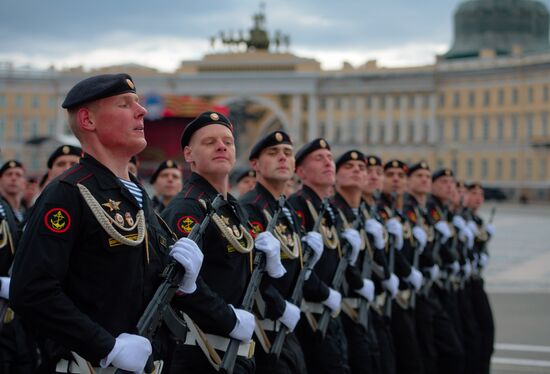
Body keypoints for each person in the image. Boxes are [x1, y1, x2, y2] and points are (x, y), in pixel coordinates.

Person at [10, 73, 204, 373]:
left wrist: (183, 284)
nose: (141, 111)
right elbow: (32, 292)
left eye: (138, 103)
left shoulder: (135, 193)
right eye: (125, 104)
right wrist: (106, 345)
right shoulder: (68, 192)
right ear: (88, 120)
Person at [162, 111, 285, 374]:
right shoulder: (188, 208)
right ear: (188, 154)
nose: (221, 146)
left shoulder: (232, 208)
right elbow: (179, 284)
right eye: (209, 142)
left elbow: (237, 278)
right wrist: (228, 319)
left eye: (227, 142)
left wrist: (271, 268)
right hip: (202, 354)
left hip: (235, 352)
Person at [240, 130, 314, 374]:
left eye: (288, 153)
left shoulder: (284, 209)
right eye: (273, 153)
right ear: (255, 164)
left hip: (285, 328)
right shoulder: (250, 207)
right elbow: (248, 273)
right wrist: (279, 306)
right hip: (264, 331)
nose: (282, 158)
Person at [288, 138, 354, 374]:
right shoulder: (296, 205)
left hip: (329, 316)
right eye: (319, 159)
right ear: (301, 172)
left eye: (329, 158)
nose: (328, 163)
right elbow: (297, 266)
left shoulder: (327, 209)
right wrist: (324, 292)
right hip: (309, 319)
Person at [330, 150, 380, 374]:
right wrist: (358, 282)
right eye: (349, 167)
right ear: (336, 175)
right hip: (340, 311)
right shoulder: (331, 212)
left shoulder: (362, 214)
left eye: (361, 168)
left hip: (363, 310)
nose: (358, 172)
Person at [465, 182, 495, 374]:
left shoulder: (477, 221)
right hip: (465, 285)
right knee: (473, 337)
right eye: (473, 193)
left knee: (486, 334)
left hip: (476, 281)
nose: (477, 198)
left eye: (480, 194)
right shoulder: (461, 219)